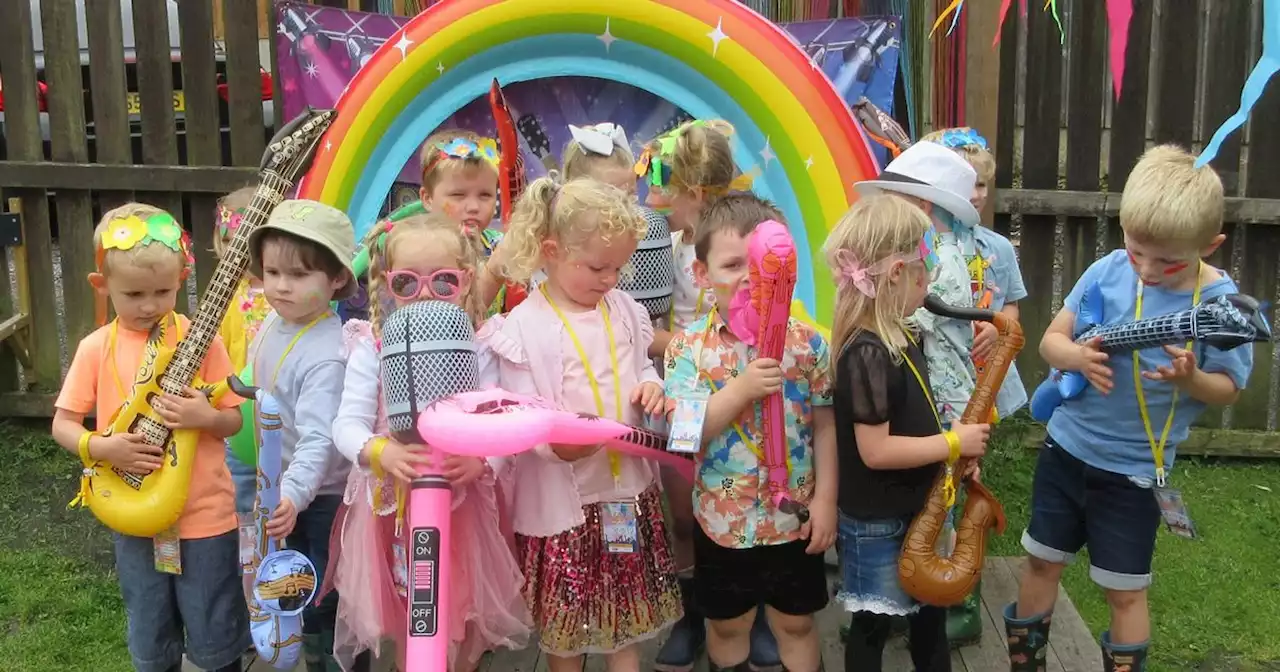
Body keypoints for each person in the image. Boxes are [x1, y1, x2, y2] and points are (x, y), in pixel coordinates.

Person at [1006, 145, 1254, 672]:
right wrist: (1076, 355)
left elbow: (1229, 389)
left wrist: (1192, 379)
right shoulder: (1105, 271)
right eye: (1135, 249)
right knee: (1041, 561)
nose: (1145, 270)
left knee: (1124, 591)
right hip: (1066, 448)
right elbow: (1050, 342)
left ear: (1211, 245)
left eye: (1168, 261)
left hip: (1135, 471)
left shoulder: (1221, 308)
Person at [487, 175, 680, 672]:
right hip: (563, 504)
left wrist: (650, 384)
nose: (610, 279)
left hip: (625, 494)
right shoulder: (523, 327)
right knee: (565, 628)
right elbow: (521, 412)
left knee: (623, 622)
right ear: (551, 250)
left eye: (618, 267)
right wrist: (556, 446)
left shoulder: (623, 309)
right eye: (597, 267)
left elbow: (640, 363)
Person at [325, 212, 530, 672]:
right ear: (386, 284)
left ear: (466, 281)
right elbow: (347, 423)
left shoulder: (477, 344)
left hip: (460, 511)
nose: (424, 295)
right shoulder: (372, 347)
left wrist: (483, 461)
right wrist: (381, 450)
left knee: (458, 616)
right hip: (392, 511)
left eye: (442, 283)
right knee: (410, 616)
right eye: (406, 283)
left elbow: (499, 419)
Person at [52, 203, 249, 672]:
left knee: (215, 628)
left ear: (183, 277)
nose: (149, 305)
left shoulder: (201, 340)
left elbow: (233, 421)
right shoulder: (95, 348)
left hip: (205, 516)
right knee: (150, 626)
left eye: (163, 291)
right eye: (134, 293)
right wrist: (100, 447)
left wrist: (205, 416)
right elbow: (63, 423)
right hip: (135, 517)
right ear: (102, 287)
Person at [662, 194, 837, 672]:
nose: (747, 276)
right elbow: (684, 436)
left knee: (797, 624)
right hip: (722, 525)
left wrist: (824, 502)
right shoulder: (687, 349)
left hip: (794, 522)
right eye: (732, 263)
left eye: (758, 263)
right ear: (702, 276)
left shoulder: (808, 343)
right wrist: (739, 390)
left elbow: (825, 426)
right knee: (728, 626)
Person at [823, 194, 990, 672]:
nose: (932, 280)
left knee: (929, 621)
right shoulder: (868, 353)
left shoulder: (903, 333)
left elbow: (912, 418)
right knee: (873, 627)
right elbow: (875, 451)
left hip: (918, 507)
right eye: (926, 268)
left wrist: (950, 447)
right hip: (877, 523)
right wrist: (952, 443)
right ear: (897, 273)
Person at [636, 120, 776, 672]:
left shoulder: (744, 239)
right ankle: (693, 618)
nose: (653, 198)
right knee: (685, 516)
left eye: (660, 186)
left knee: (755, 502)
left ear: (688, 191)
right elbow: (644, 328)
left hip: (746, 383)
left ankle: (755, 614)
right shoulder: (665, 249)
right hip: (685, 384)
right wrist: (691, 346)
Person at [920, 127, 1030, 644]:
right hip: (934, 380)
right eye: (966, 185)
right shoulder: (923, 241)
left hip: (981, 381)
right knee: (930, 482)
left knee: (966, 479)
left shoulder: (998, 248)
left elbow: (1011, 306)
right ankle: (925, 579)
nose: (976, 195)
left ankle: (962, 588)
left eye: (983, 184)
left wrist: (994, 324)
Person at [246, 199, 357, 671]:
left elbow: (320, 438)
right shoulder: (276, 323)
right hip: (282, 487)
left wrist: (292, 493)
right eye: (272, 272)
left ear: (334, 280)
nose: (280, 286)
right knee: (289, 586)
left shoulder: (326, 352)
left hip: (318, 498)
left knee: (323, 598)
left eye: (298, 275)